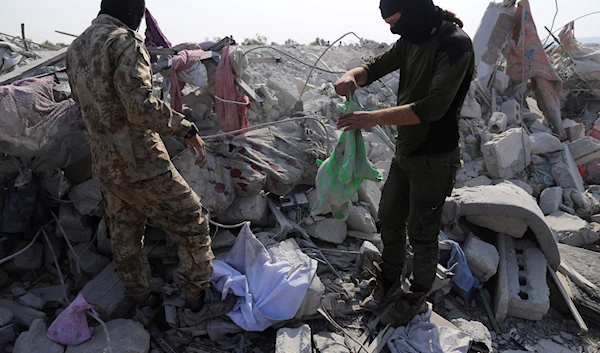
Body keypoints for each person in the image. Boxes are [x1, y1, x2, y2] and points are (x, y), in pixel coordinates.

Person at [66, 0, 214, 317]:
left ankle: (143, 301)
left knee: (125, 236)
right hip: (141, 162)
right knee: (192, 220)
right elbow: (140, 107)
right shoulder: (124, 41)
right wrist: (185, 128)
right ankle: (195, 298)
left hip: (105, 164)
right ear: (132, 12)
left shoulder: (76, 47)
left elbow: (82, 107)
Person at [334, 0, 474, 324]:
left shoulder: (455, 45)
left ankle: (416, 297)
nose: (393, 29)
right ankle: (388, 284)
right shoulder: (411, 37)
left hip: (435, 157)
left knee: (422, 231)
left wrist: (371, 119)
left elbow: (431, 108)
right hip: (406, 152)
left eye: (395, 21)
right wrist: (350, 76)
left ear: (412, 12)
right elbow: (373, 67)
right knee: (390, 219)